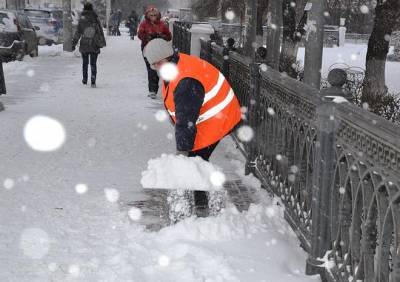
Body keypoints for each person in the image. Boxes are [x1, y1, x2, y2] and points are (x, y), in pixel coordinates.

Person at [143, 38, 242, 213]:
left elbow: (186, 121)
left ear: (167, 57)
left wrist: (182, 151)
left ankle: (202, 208)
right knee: (195, 159)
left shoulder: (185, 81)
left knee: (195, 159)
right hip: (209, 115)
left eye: (158, 63)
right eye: (154, 65)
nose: (156, 68)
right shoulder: (174, 67)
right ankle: (200, 204)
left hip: (218, 118)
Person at [138, 6, 171, 99]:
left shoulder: (162, 24)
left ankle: (159, 88)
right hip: (147, 49)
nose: (153, 17)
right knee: (150, 68)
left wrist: (161, 36)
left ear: (158, 15)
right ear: (147, 15)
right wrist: (147, 36)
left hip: (159, 49)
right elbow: (140, 34)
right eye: (151, 15)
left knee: (158, 68)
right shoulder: (144, 24)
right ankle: (152, 90)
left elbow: (169, 36)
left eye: (155, 15)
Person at [72, 2, 106, 88]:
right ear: (92, 8)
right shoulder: (95, 18)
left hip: (85, 43)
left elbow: (78, 32)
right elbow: (100, 31)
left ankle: (84, 79)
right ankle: (93, 80)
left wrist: (73, 43)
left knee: (85, 62)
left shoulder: (82, 19)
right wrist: (102, 42)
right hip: (94, 43)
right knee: (93, 63)